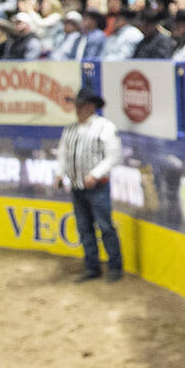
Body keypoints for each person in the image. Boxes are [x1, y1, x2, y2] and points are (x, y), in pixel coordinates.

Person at [57, 86, 124, 282]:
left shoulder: (106, 127)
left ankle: (114, 266)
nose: (77, 109)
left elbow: (114, 156)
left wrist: (95, 174)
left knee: (105, 226)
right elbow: (63, 153)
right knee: (84, 227)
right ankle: (92, 266)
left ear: (90, 107)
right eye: (77, 106)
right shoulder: (70, 130)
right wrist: (60, 174)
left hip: (98, 187)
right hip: (78, 186)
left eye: (81, 106)